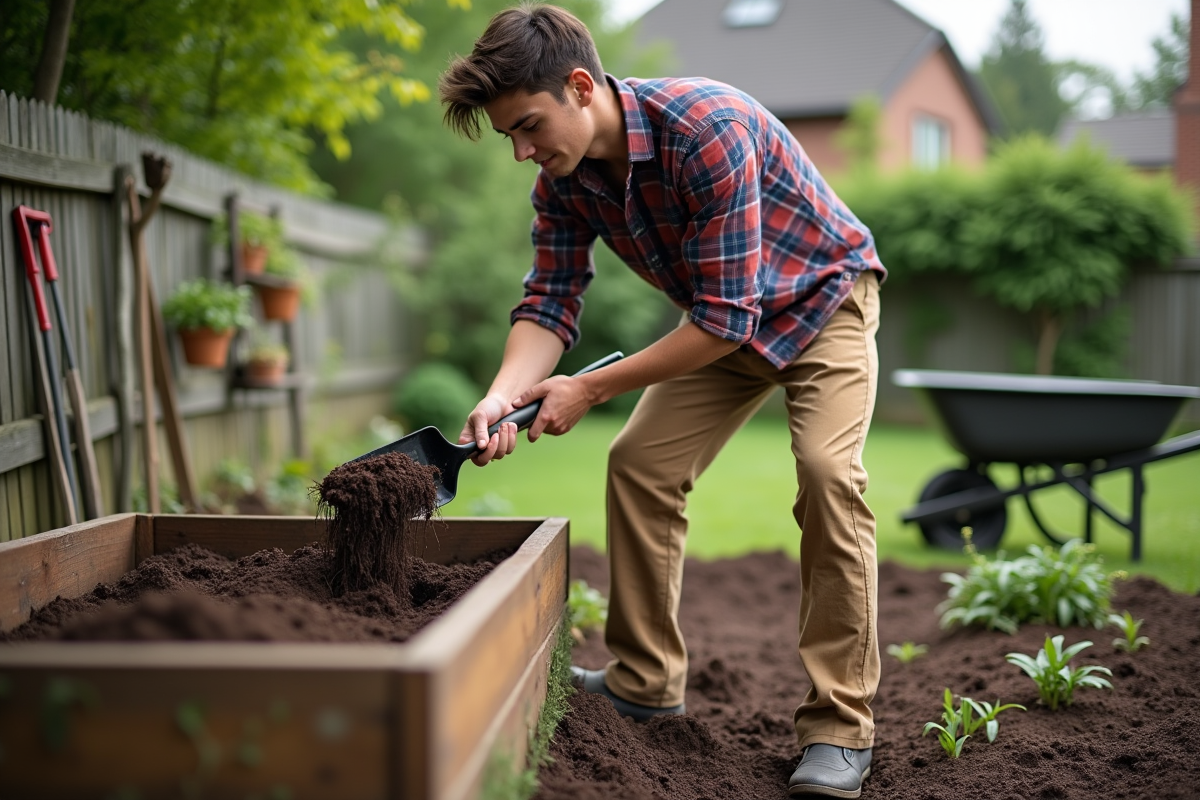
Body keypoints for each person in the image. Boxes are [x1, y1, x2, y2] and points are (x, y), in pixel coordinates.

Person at [438, 4, 884, 797]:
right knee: (640, 463)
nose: (522, 151)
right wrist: (501, 396)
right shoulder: (563, 181)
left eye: (530, 126)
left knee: (826, 473)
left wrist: (589, 387)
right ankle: (645, 682)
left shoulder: (702, 128)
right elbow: (549, 301)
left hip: (823, 304)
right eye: (510, 135)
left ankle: (840, 731)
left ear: (581, 86)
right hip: (727, 325)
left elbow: (721, 320)